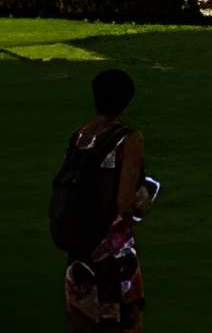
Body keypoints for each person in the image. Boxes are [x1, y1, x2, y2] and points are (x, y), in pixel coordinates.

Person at [55, 65, 152, 331]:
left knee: (81, 318)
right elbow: (123, 204)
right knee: (124, 322)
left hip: (78, 243)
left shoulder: (80, 135)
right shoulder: (128, 139)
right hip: (111, 249)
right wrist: (146, 194)